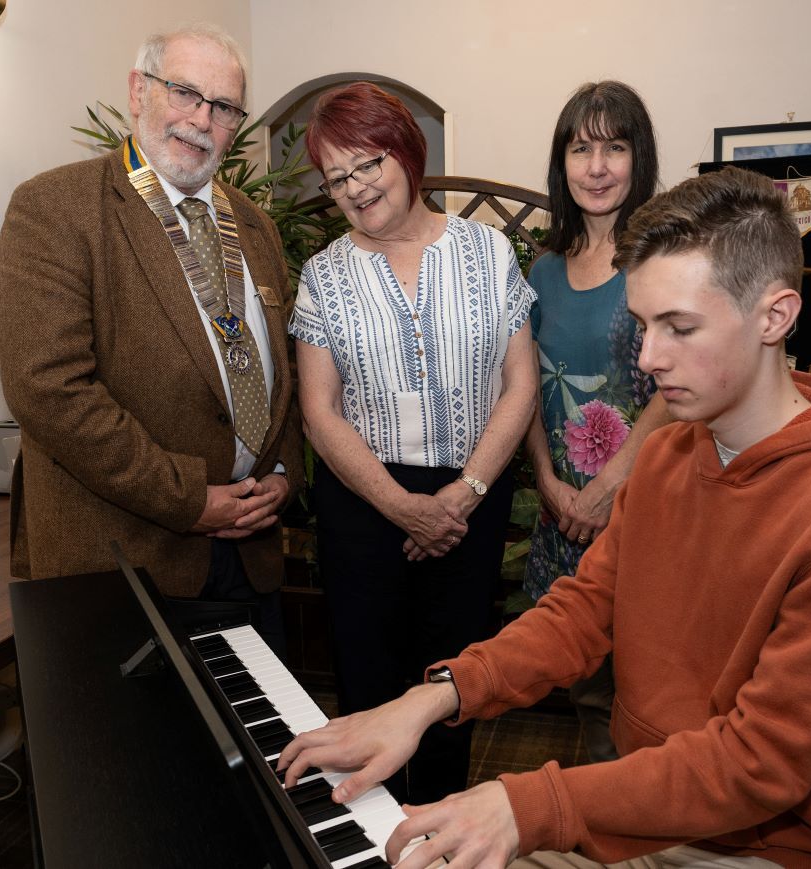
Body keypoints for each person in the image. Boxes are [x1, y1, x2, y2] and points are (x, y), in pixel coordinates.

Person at [279, 166, 811, 869]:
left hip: (771, 845)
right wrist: (435, 696)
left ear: (774, 315)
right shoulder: (673, 450)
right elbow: (586, 611)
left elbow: (760, 762)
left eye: (680, 327)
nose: (648, 359)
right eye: (643, 326)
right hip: (651, 803)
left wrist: (525, 807)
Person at [0, 24, 302, 653]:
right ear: (139, 90)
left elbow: (283, 368)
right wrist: (189, 499)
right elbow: (49, 389)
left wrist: (285, 474)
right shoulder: (56, 206)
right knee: (146, 751)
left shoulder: (255, 225)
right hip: (123, 563)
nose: (200, 120)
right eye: (184, 92)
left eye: (224, 107)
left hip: (250, 555)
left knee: (254, 747)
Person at [289, 82, 536, 804]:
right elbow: (319, 410)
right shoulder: (322, 275)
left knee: (453, 684)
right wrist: (403, 506)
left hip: (474, 497)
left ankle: (441, 829)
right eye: (337, 178)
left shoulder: (489, 251)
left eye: (367, 163)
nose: (356, 188)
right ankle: (373, 835)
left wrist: (462, 496)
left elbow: (519, 385)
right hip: (365, 508)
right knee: (367, 682)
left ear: (405, 151)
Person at [523, 81, 670, 762]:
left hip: (648, 506)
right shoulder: (543, 270)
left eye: (615, 146)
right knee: (585, 695)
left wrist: (611, 484)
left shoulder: (664, 260)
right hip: (565, 519)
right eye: (581, 148)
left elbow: (675, 386)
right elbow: (521, 385)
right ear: (563, 163)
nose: (598, 166)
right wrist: (549, 483)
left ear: (640, 158)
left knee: (650, 696)